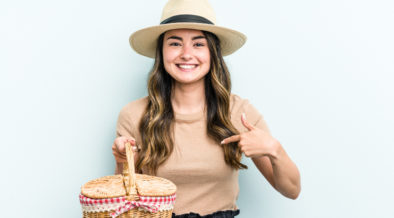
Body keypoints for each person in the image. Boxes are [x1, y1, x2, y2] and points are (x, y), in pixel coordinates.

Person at [112, 0, 301, 217]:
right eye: (175, 43)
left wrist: (274, 149)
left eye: (198, 44)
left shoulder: (239, 112)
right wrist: (123, 162)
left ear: (213, 52)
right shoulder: (133, 115)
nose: (186, 54)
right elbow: (120, 201)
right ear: (161, 52)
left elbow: (292, 190)